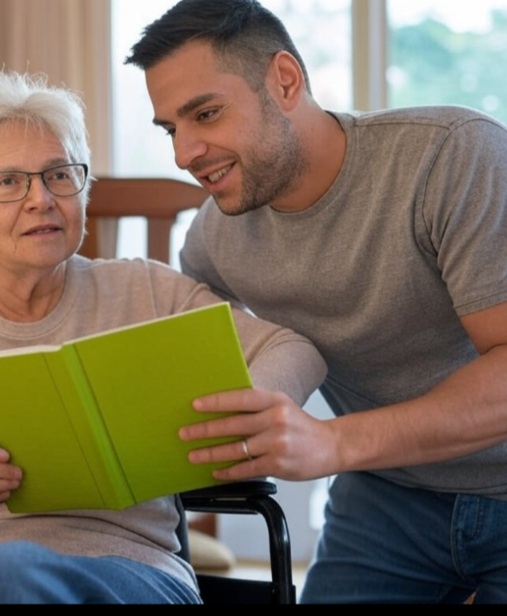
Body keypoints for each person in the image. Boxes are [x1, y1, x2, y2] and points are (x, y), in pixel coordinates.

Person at [0, 70, 327, 605]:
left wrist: (245, 414)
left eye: (60, 175)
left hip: (123, 572)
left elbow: (293, 349)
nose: (40, 199)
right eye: (7, 182)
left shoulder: (146, 292)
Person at [124, 0, 507, 605]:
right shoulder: (215, 238)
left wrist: (333, 444)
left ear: (284, 80)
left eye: (207, 113)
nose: (184, 153)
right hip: (390, 500)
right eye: (172, 129)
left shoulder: (453, 156)